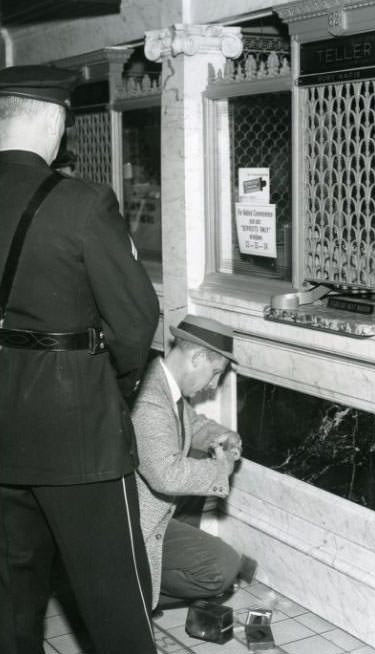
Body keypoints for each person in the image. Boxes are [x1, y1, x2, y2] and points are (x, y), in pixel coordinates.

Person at [0, 65, 160, 654]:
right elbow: (136, 320)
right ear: (53, 120)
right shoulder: (84, 203)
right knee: (114, 603)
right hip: (79, 440)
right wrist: (109, 391)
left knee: (11, 608)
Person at [133, 314, 251, 611]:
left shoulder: (160, 380)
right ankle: (129, 592)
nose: (213, 385)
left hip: (148, 515)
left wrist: (223, 435)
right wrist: (220, 468)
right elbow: (166, 476)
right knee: (221, 570)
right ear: (197, 356)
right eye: (214, 373)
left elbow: (190, 423)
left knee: (224, 563)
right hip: (134, 528)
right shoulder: (150, 398)